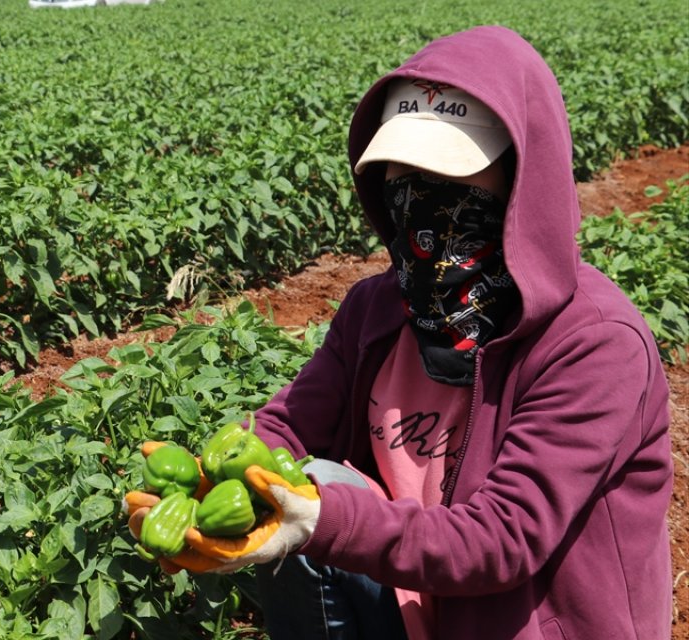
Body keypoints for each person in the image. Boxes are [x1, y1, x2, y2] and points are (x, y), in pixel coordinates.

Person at [128, 26, 672, 640]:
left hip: (515, 621)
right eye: (403, 173)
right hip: (416, 596)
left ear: (524, 174)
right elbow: (287, 425)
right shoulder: (378, 307)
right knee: (303, 493)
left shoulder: (593, 342)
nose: (422, 198)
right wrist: (203, 482)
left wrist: (319, 519)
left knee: (318, 505)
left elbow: (504, 539)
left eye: (452, 175)